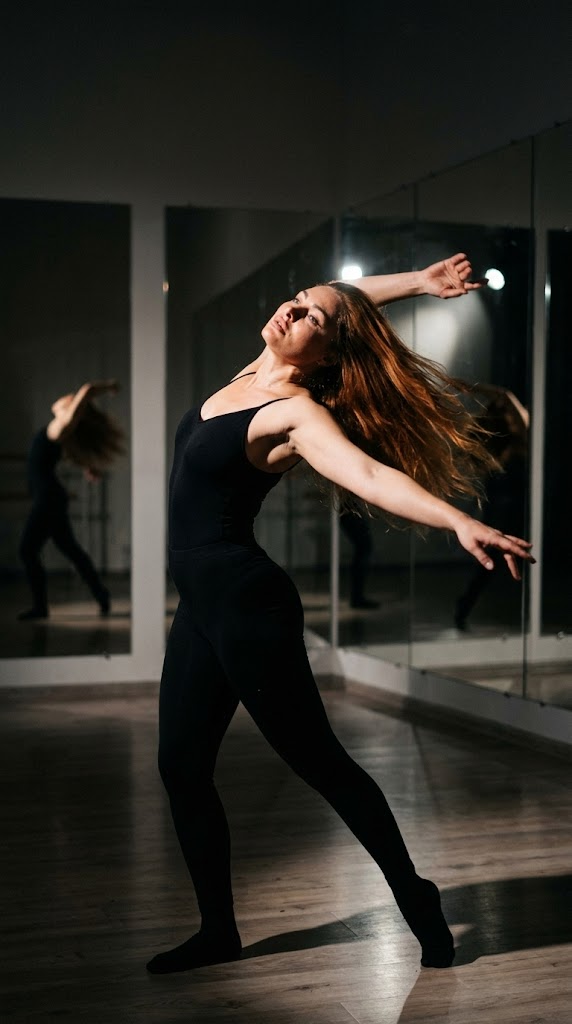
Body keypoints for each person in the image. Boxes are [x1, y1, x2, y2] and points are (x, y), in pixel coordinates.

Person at [148, 254, 533, 975]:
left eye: (311, 319)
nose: (293, 312)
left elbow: (367, 474)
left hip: (247, 606)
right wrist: (417, 283)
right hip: (202, 609)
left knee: (322, 764)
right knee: (180, 765)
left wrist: (456, 521)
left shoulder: (294, 411)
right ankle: (217, 931)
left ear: (327, 353)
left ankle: (416, 898)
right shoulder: (251, 372)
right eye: (296, 301)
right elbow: (345, 298)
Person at [18, 379, 124, 620]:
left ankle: (40, 607)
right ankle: (101, 595)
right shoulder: (61, 431)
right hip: (51, 498)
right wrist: (88, 467)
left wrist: (109, 387)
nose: (65, 397)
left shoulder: (61, 426)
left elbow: (86, 390)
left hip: (47, 499)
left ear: (71, 410)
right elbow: (72, 455)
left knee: (27, 550)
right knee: (71, 551)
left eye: (70, 399)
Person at [454, 384, 529, 630]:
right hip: (502, 512)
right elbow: (506, 397)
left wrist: (473, 388)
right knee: (490, 564)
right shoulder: (509, 446)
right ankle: (463, 607)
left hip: (508, 510)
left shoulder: (510, 445)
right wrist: (482, 391)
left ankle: (464, 606)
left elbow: (508, 401)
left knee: (494, 564)